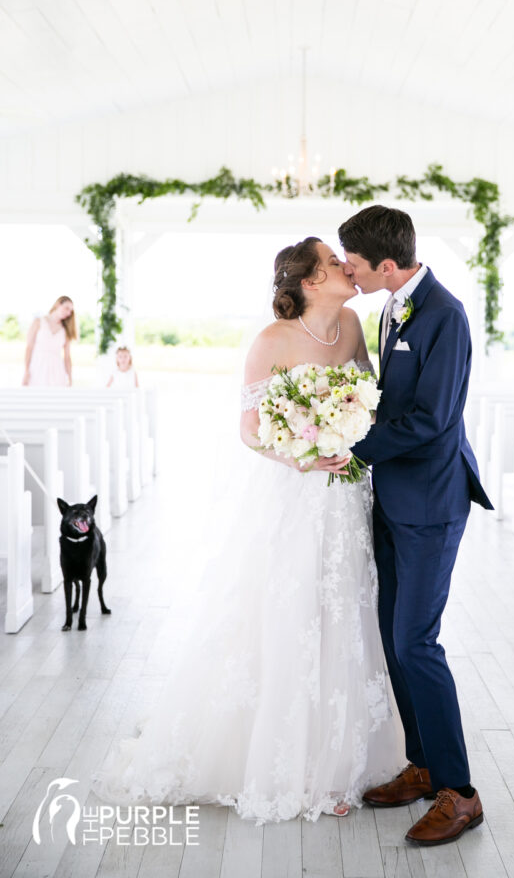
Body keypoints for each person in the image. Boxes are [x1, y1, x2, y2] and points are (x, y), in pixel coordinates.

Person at [90, 237, 406, 824]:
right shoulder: (271, 341)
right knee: (291, 611)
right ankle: (282, 762)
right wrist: (304, 455)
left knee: (346, 609)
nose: (345, 265)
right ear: (310, 281)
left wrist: (346, 430)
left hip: (348, 496)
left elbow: (370, 399)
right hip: (297, 493)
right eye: (334, 261)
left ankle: (341, 762)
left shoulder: (357, 326)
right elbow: (250, 428)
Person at [338, 205, 494, 848]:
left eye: (354, 263)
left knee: (416, 644)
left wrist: (353, 448)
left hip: (431, 501)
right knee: (390, 636)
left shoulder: (446, 315)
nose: (347, 270)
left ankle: (461, 794)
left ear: (388, 265)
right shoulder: (388, 305)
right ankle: (424, 764)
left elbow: (431, 419)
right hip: (391, 500)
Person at [22, 296, 77, 387]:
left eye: (70, 311)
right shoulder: (38, 322)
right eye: (66, 308)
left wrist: (70, 378)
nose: (68, 313)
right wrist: (26, 370)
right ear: (58, 304)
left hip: (57, 370)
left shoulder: (65, 330)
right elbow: (29, 348)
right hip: (37, 367)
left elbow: (67, 357)